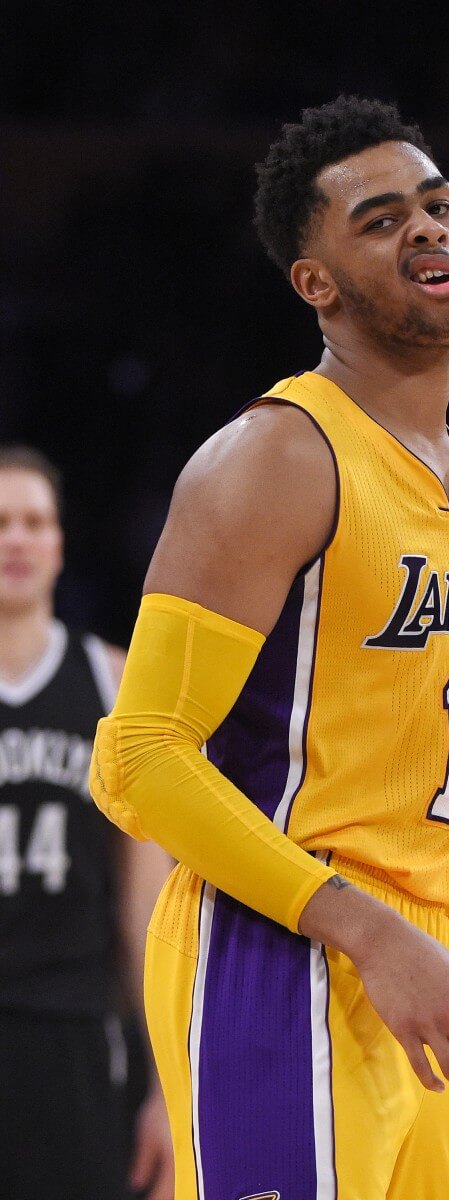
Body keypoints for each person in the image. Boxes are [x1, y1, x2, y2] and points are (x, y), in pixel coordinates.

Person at [89, 95, 449, 1200]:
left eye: (439, 206)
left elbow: (422, 822)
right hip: (277, 955)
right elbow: (137, 757)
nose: (429, 230)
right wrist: (370, 939)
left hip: (426, 977)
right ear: (315, 284)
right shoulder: (275, 458)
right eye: (381, 221)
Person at [0, 445, 174, 1200]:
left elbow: (146, 911)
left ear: (60, 542)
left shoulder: (110, 679)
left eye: (35, 521)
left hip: (74, 1031)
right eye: (1, 522)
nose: (17, 538)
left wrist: (169, 1088)